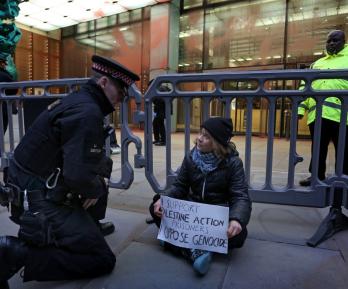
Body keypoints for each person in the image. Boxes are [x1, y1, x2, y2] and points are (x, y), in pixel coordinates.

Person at [0, 55, 139, 288]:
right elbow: (77, 176)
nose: (121, 100)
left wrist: (95, 181)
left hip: (25, 191)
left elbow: (82, 162)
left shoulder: (79, 100)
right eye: (121, 93)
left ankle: (83, 227)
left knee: (100, 170)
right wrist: (92, 187)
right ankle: (16, 253)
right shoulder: (88, 112)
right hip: (36, 201)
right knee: (102, 259)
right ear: (104, 82)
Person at [149, 117, 252, 275]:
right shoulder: (191, 157)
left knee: (239, 235)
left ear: (216, 143)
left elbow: (240, 197)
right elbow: (179, 185)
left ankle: (175, 243)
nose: (199, 138)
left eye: (206, 136)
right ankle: (195, 250)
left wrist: (236, 219)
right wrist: (164, 199)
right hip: (192, 213)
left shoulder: (233, 163)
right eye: (200, 133)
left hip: (216, 216)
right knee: (156, 205)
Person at [298, 30, 348, 186]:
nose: (332, 43)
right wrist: (300, 109)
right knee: (318, 149)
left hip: (342, 115)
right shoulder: (317, 63)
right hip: (317, 114)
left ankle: (344, 178)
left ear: (344, 42)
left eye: (336, 40)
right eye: (329, 41)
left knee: (344, 150)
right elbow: (304, 86)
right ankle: (316, 177)